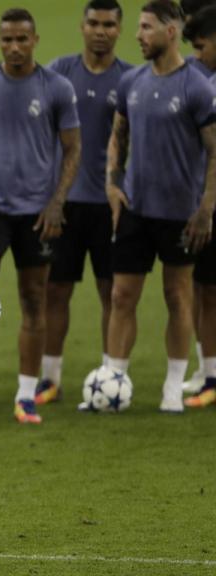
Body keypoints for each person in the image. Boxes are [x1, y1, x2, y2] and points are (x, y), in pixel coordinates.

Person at [0, 8, 81, 424]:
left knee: (33, 298)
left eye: (22, 39)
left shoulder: (56, 88)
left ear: (35, 41)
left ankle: (26, 394)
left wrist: (58, 201)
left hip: (38, 210)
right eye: (7, 39)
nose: (14, 47)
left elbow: (73, 148)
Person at [106, 0, 216, 413]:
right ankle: (114, 380)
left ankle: (173, 387)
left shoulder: (197, 87)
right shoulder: (132, 81)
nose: (138, 35)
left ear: (171, 32)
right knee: (121, 296)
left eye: (147, 28)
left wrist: (206, 207)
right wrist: (113, 184)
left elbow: (214, 151)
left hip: (180, 214)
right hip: (136, 209)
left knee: (177, 296)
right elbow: (119, 136)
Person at [36, 0, 132, 405]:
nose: (100, 30)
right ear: (82, 26)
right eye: (94, 22)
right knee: (55, 291)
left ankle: (111, 376)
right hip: (66, 204)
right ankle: (50, 377)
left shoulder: (131, 79)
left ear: (119, 30)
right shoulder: (59, 73)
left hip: (111, 206)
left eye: (109, 24)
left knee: (112, 292)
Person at [181, 5, 216, 402]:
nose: (196, 51)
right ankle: (208, 371)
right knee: (199, 286)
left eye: (201, 45)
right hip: (198, 200)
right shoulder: (194, 76)